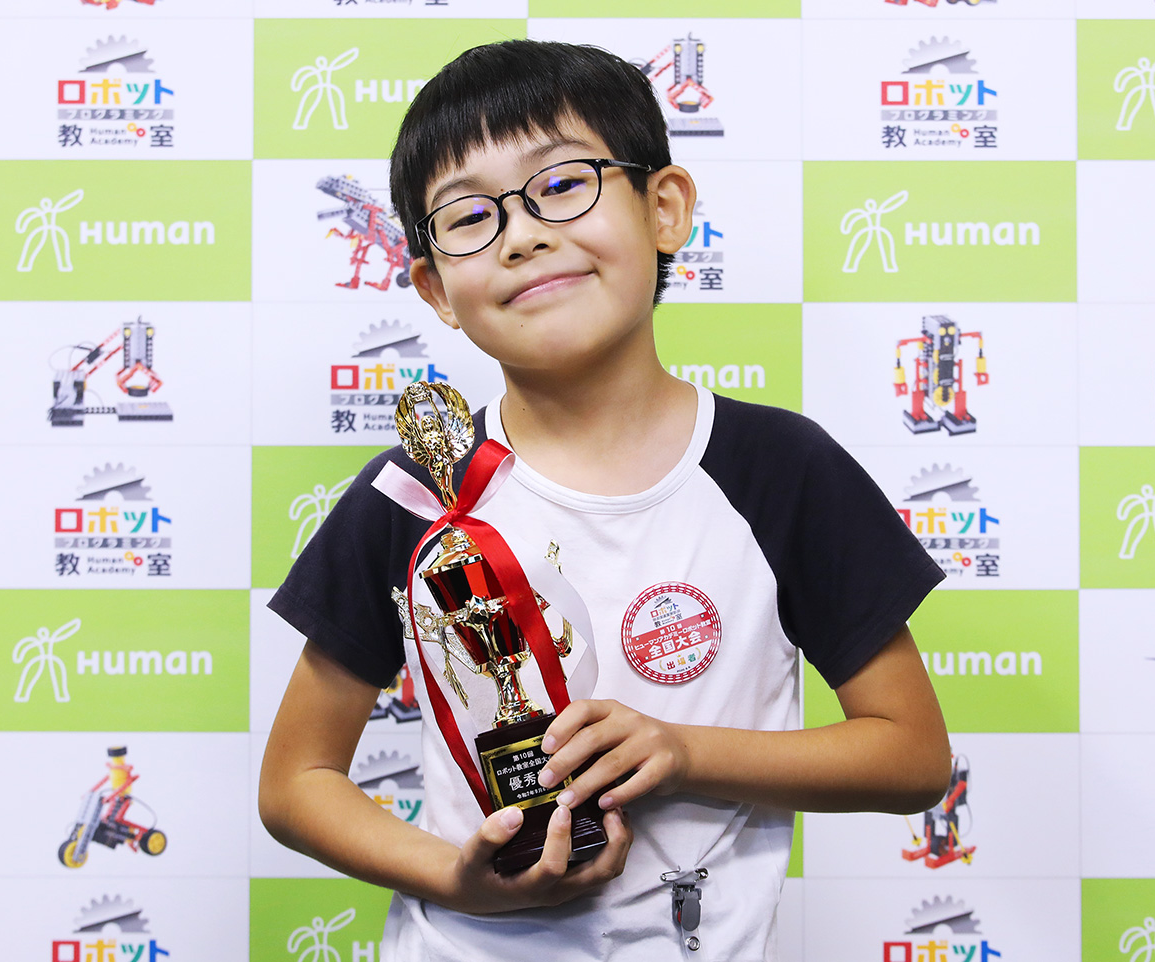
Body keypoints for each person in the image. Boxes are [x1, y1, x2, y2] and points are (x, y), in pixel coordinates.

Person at [260, 39, 951, 962]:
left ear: (664, 208)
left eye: (561, 185)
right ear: (436, 289)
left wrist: (685, 752)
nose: (522, 236)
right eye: (470, 217)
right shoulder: (420, 491)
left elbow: (912, 756)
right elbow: (296, 782)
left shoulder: (782, 469)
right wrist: (455, 880)